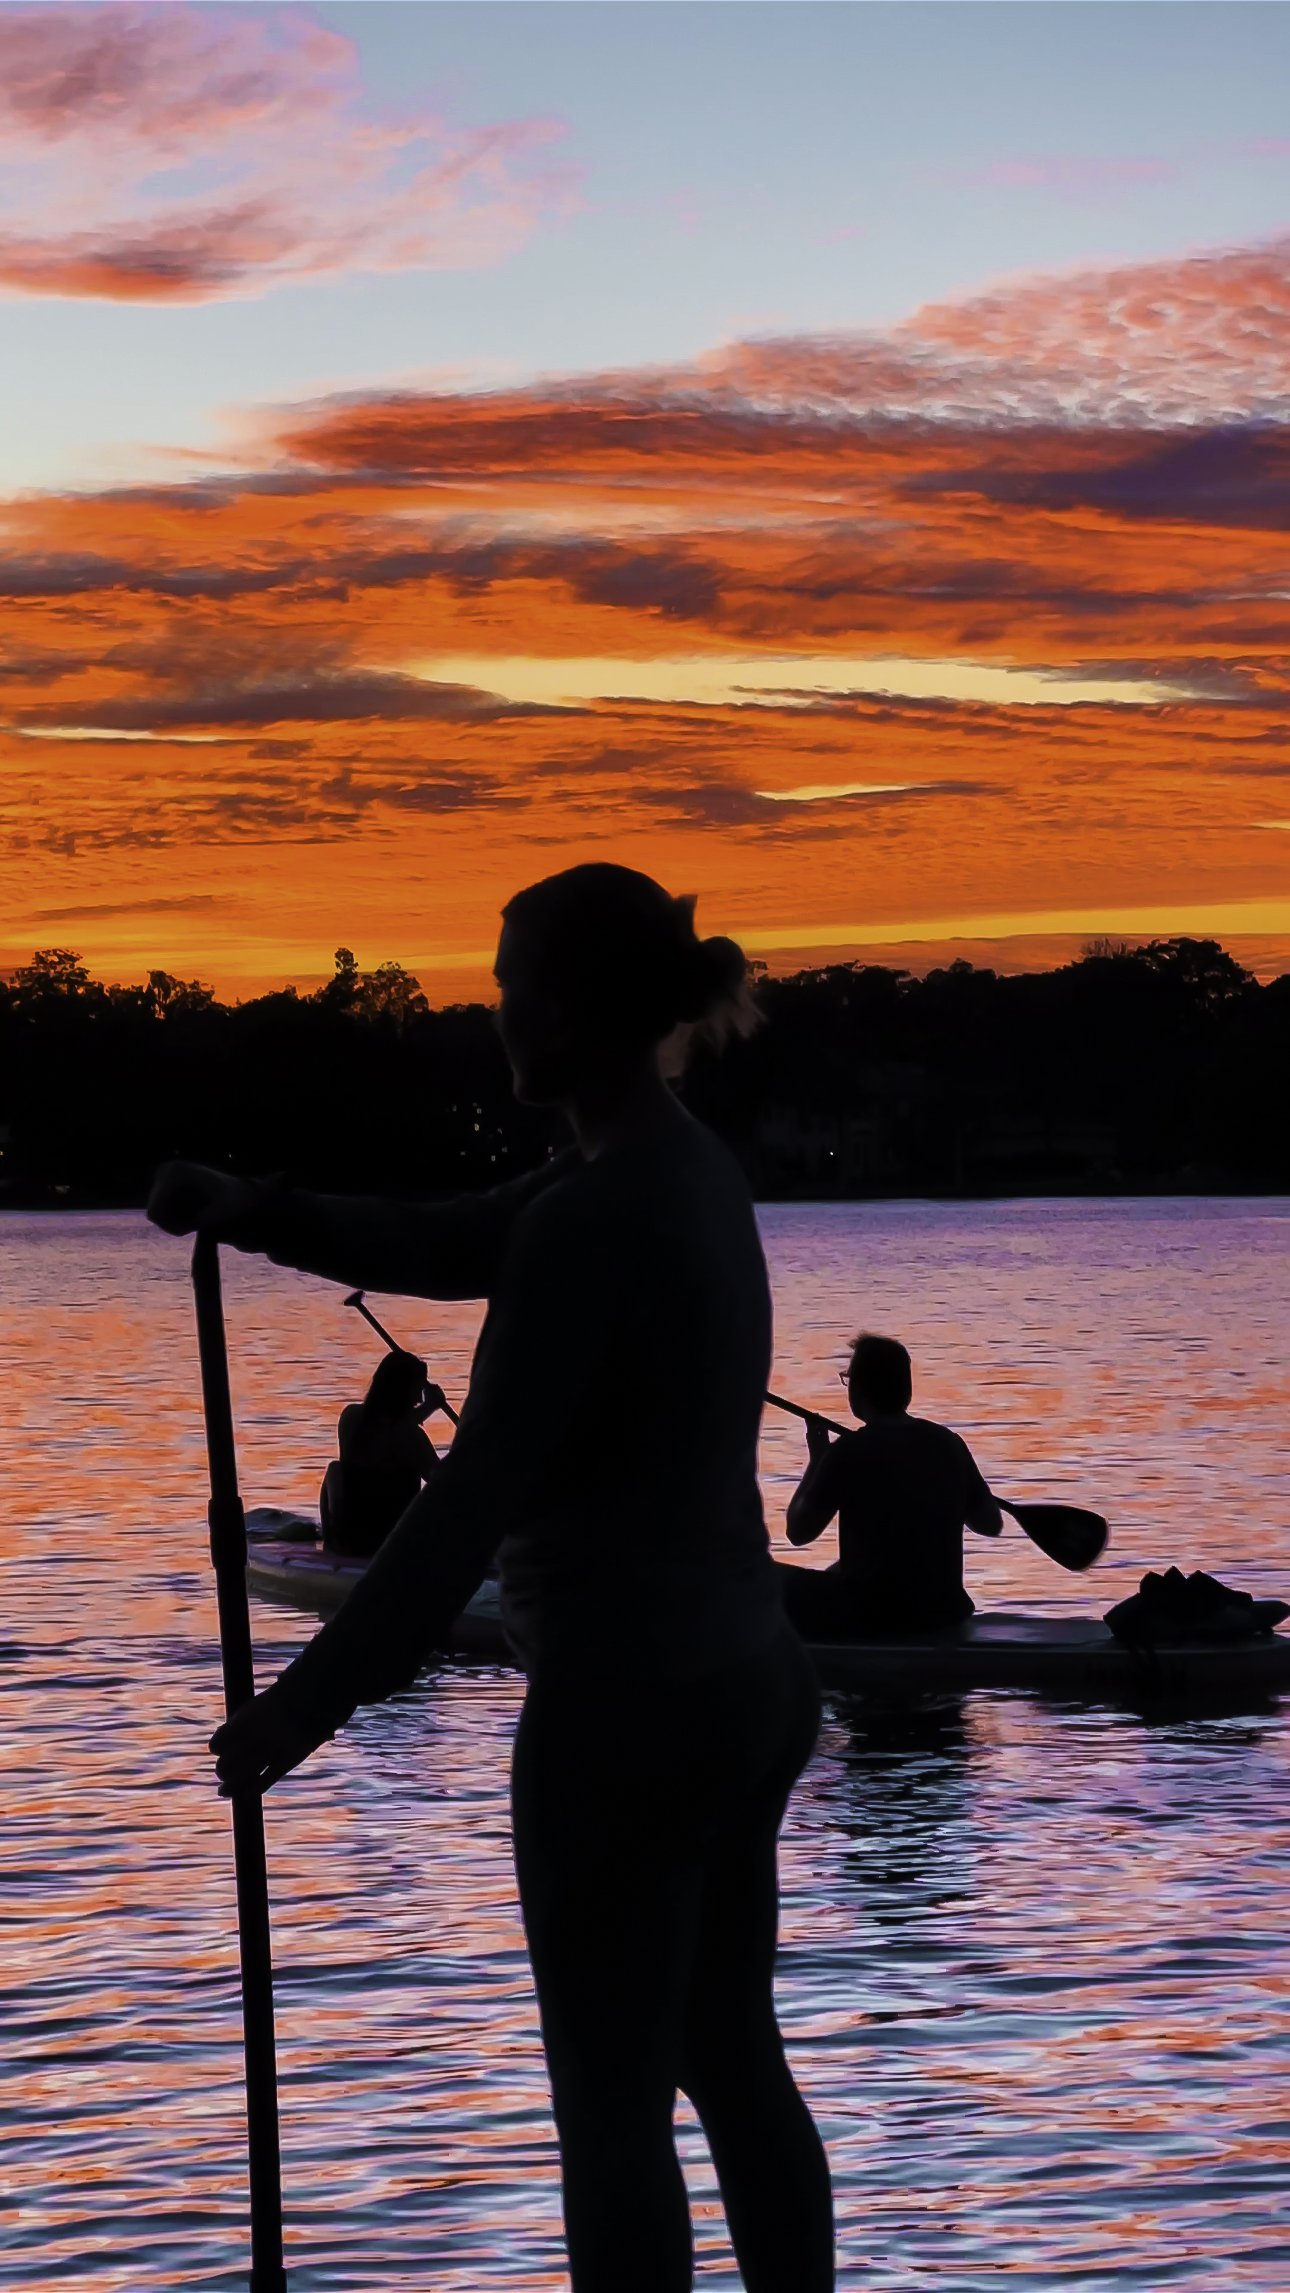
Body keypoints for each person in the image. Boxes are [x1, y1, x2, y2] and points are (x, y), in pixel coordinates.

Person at [148, 862, 835, 2293]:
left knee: (609, 2110)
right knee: (728, 2056)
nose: (495, 1005)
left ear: (575, 1007)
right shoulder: (666, 1163)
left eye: (512, 978)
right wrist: (251, 1206)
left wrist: (298, 1712)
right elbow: (453, 1239)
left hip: (626, 1709)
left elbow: (463, 1511)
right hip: (749, 1677)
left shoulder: (601, 1214)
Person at [778, 1331, 1003, 1639]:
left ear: (859, 1390)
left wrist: (817, 1460)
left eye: (848, 1378)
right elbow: (991, 1523)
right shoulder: (949, 1443)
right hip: (946, 1615)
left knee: (763, 1575)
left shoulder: (849, 1451)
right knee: (839, 1568)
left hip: (875, 1619)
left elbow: (798, 1532)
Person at [319, 1348, 448, 1558]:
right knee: (335, 1470)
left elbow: (387, 1426)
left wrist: (427, 1409)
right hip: (384, 1539)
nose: (418, 1396)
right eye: (418, 1387)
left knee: (335, 1469)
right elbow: (443, 1483)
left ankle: (335, 1542)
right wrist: (430, 1407)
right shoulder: (411, 1437)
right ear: (401, 1389)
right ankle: (334, 1544)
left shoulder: (351, 1419)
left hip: (363, 1537)